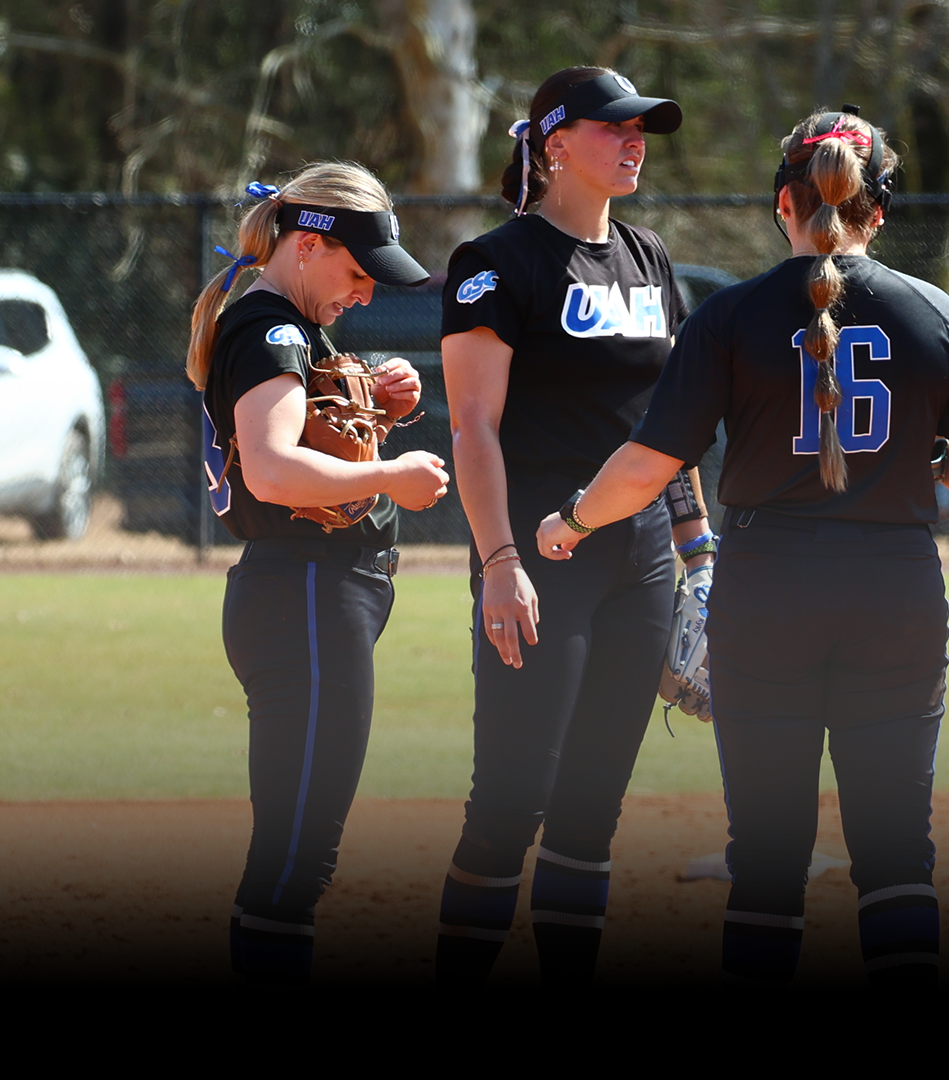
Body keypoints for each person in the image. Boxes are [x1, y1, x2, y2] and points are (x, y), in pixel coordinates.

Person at [536, 106, 949, 987]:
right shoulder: (939, 313)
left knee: (765, 859)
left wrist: (571, 521)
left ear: (782, 204)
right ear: (878, 212)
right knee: (898, 859)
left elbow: (649, 464)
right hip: (895, 587)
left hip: (768, 587)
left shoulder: (730, 318)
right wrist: (919, 452)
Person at [432, 66, 710, 989]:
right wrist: (498, 560)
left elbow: (667, 432)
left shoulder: (649, 257)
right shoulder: (496, 263)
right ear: (555, 144)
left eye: (642, 130)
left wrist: (696, 554)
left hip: (637, 564)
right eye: (613, 128)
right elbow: (472, 425)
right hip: (534, 555)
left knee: (591, 810)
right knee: (511, 801)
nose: (634, 142)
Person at [186, 164, 447, 981]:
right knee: (297, 860)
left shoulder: (284, 325)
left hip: (304, 595)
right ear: (307, 245)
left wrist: (376, 400)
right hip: (304, 596)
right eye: (357, 273)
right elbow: (270, 471)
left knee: (293, 854)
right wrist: (389, 474)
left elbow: (304, 430)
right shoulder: (272, 330)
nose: (366, 293)